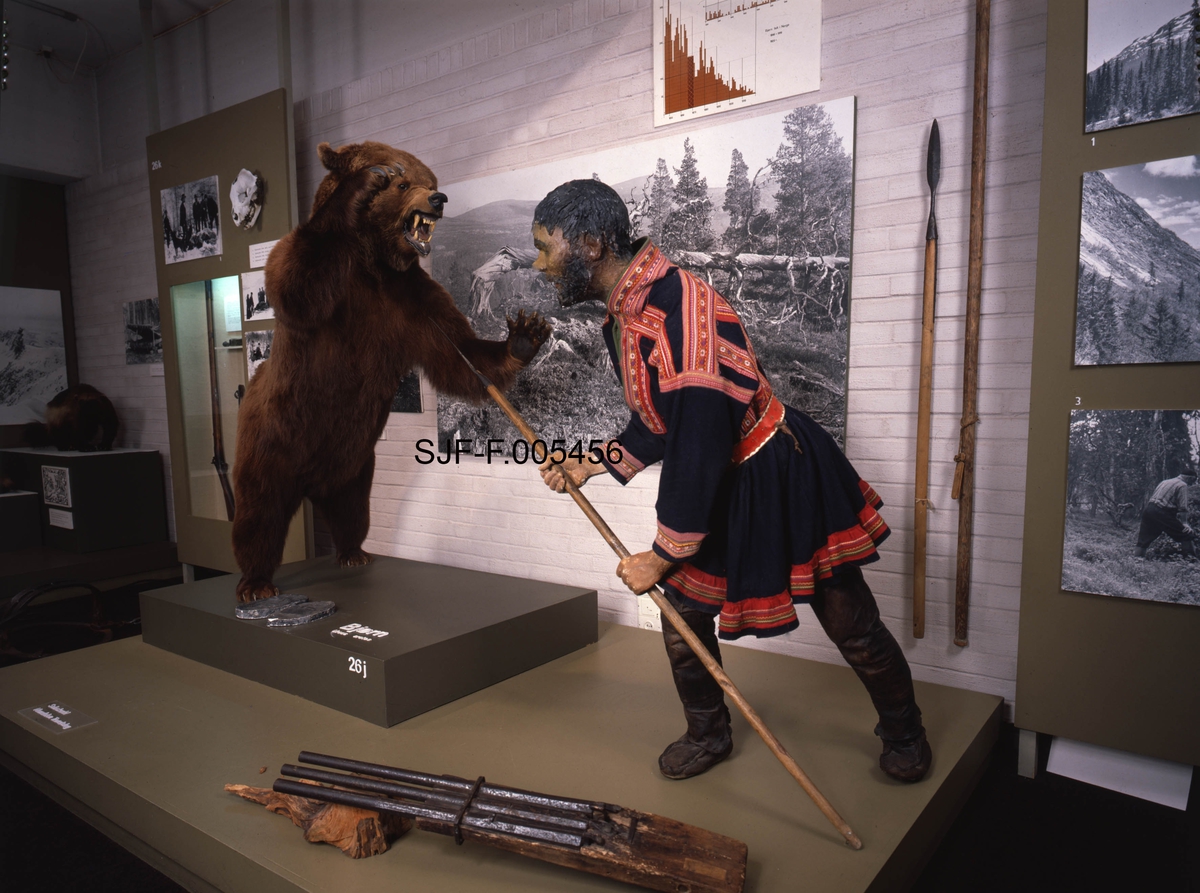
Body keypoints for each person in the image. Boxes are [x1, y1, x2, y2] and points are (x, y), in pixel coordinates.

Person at [533, 179, 931, 783]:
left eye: (545, 247)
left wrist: (665, 555)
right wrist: (592, 462)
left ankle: (905, 731)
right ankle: (708, 732)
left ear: (589, 243)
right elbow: (661, 416)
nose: (540, 265)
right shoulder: (628, 310)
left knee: (850, 620)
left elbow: (698, 445)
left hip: (777, 471)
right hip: (722, 475)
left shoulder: (678, 310)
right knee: (683, 620)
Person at [1134, 468, 1196, 559]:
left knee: (1143, 539)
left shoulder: (1165, 481)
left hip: (1149, 509)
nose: (1192, 484)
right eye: (1193, 481)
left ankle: (1136, 561)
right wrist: (1184, 523)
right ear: (1190, 478)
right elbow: (1183, 507)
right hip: (1161, 511)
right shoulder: (1183, 485)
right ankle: (1191, 562)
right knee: (1186, 534)